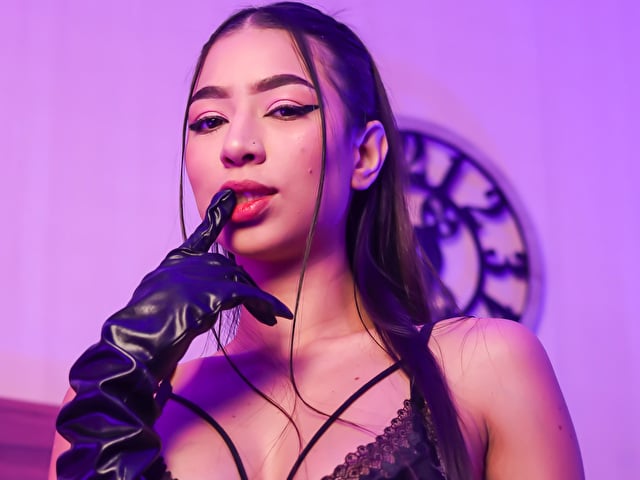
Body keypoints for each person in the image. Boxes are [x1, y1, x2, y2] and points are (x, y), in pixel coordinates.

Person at [48, 2, 584, 479]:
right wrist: (114, 383)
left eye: (285, 109)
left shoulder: (485, 365)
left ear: (364, 155)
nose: (237, 144)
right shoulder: (111, 400)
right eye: (209, 121)